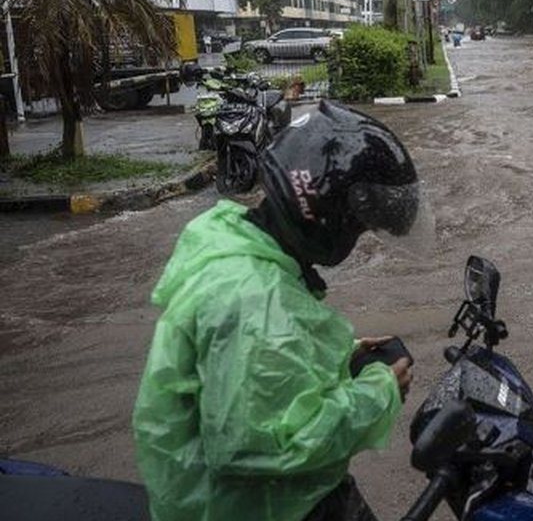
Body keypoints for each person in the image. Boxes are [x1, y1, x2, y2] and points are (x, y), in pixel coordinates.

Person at [133, 101, 426, 521]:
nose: (355, 237)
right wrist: (377, 393)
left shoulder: (236, 247)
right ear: (328, 214)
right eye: (358, 225)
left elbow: (255, 373)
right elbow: (262, 447)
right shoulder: (253, 301)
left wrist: (340, 360)